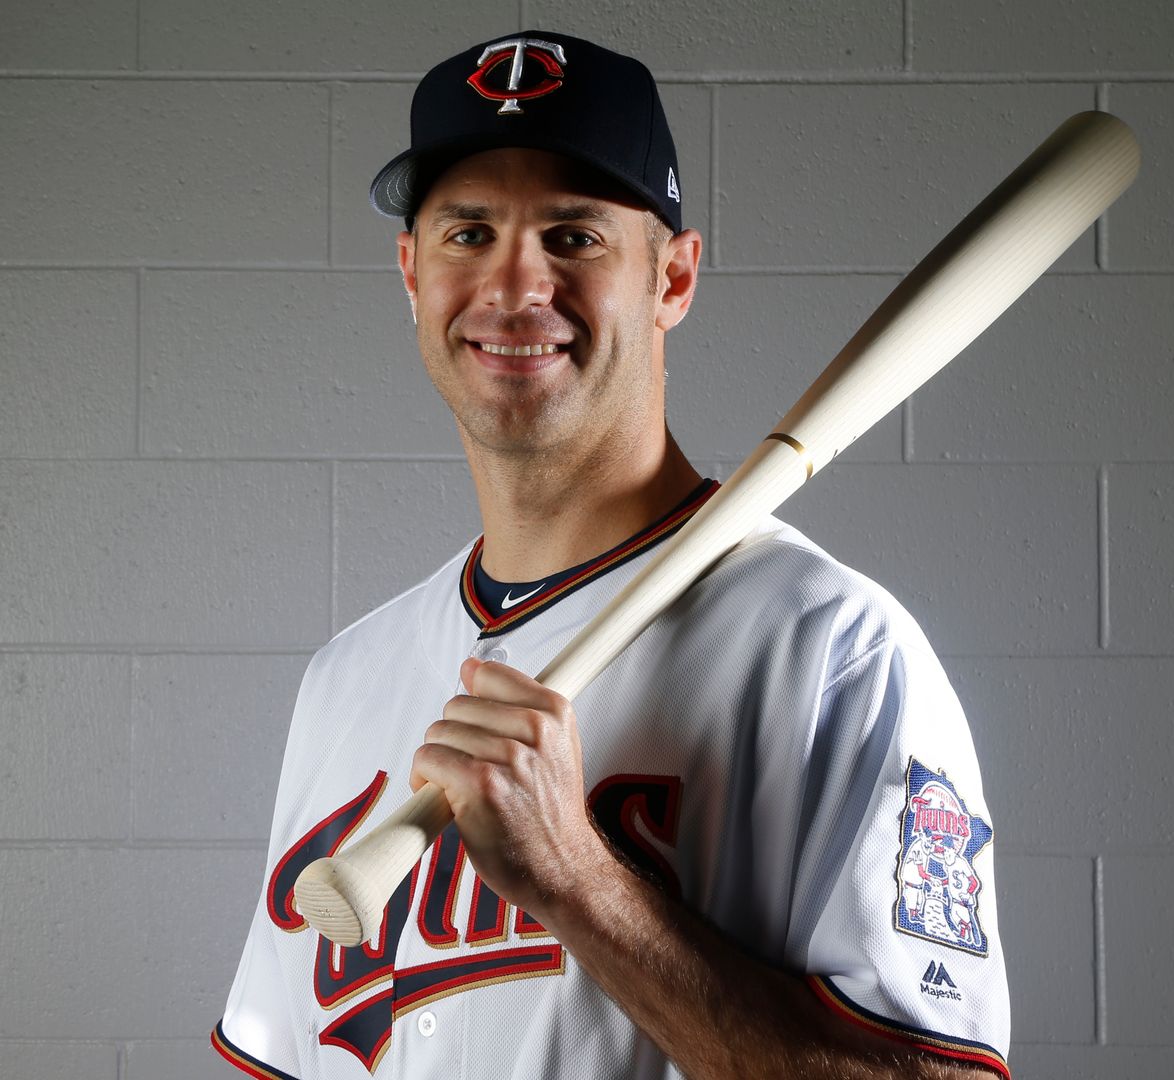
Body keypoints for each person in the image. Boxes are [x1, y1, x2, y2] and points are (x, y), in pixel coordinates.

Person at [213, 30, 1010, 1079]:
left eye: (575, 237)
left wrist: (580, 881)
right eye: (467, 231)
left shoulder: (831, 651)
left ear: (672, 277)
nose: (513, 285)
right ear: (411, 272)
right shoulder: (346, 680)